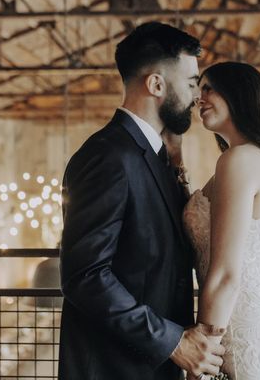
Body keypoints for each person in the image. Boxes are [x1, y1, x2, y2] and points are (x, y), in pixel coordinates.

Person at [58, 22, 225, 380]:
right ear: (156, 85)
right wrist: (172, 342)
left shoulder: (151, 154)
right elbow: (85, 275)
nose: (197, 96)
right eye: (192, 83)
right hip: (112, 368)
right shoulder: (107, 156)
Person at [182, 62, 260, 380]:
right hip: (253, 321)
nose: (201, 96)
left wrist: (204, 348)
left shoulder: (239, 160)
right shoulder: (250, 158)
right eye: (200, 88)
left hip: (244, 333)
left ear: (240, 94)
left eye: (210, 87)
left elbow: (226, 273)